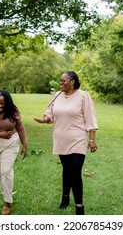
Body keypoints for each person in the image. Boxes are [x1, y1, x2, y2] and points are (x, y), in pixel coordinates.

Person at [34, 71, 98, 215]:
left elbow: (90, 118)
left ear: (72, 82)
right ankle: (65, 197)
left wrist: (92, 139)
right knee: (66, 169)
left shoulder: (83, 96)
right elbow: (49, 113)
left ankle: (79, 207)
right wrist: (45, 119)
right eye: (60, 81)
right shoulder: (56, 95)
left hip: (77, 140)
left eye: (63, 81)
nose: (60, 83)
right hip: (61, 139)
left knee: (75, 172)